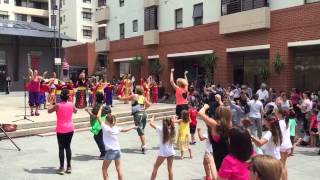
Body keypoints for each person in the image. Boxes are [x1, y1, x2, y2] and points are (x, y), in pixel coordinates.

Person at [96, 106, 137, 180]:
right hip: (118, 150)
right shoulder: (116, 128)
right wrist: (132, 127)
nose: (104, 121)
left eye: (105, 120)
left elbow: (98, 116)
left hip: (110, 151)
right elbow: (124, 130)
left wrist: (100, 108)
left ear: (107, 121)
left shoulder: (105, 128)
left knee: (104, 169)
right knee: (119, 168)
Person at [48, 89, 77, 175]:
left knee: (61, 148)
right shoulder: (71, 105)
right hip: (70, 129)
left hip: (61, 129)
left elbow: (49, 111)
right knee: (68, 147)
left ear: (60, 97)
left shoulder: (57, 105)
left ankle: (61, 168)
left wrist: (51, 102)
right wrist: (71, 101)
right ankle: (69, 167)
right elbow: (75, 111)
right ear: (68, 97)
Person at [198, 104, 232, 170]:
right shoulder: (229, 124)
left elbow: (200, 113)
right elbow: (225, 112)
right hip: (229, 155)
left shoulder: (215, 125)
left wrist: (205, 107)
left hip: (219, 157)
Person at [118, 86, 151, 153]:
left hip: (137, 115)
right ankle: (143, 144)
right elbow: (149, 104)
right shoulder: (142, 97)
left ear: (136, 90)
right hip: (144, 114)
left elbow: (124, 99)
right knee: (142, 130)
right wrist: (144, 109)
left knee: (140, 130)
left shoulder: (134, 96)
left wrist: (119, 97)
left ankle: (144, 146)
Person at [149, 116, 176, 180]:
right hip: (171, 151)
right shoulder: (172, 129)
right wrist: (173, 118)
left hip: (163, 152)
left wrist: (153, 117)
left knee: (156, 167)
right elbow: (173, 122)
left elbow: (151, 123)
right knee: (170, 169)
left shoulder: (160, 129)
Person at [85, 92, 109, 159]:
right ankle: (105, 151)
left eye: (95, 96)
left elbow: (94, 116)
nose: (94, 97)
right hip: (103, 123)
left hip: (98, 124)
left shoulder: (97, 106)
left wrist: (88, 111)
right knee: (100, 138)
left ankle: (103, 153)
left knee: (97, 138)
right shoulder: (103, 105)